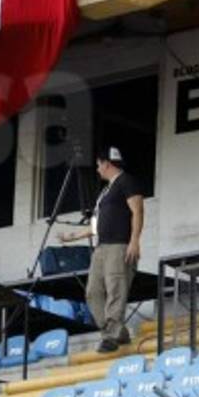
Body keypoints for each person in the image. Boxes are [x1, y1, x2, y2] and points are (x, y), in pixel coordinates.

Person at [59, 146, 145, 353]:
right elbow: (97, 226)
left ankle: (111, 336)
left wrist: (134, 240)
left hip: (119, 246)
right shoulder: (105, 192)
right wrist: (74, 236)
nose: (97, 169)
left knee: (116, 289)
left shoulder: (126, 181)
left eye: (98, 165)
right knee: (92, 292)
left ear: (106, 163)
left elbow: (138, 211)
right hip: (101, 248)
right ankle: (117, 332)